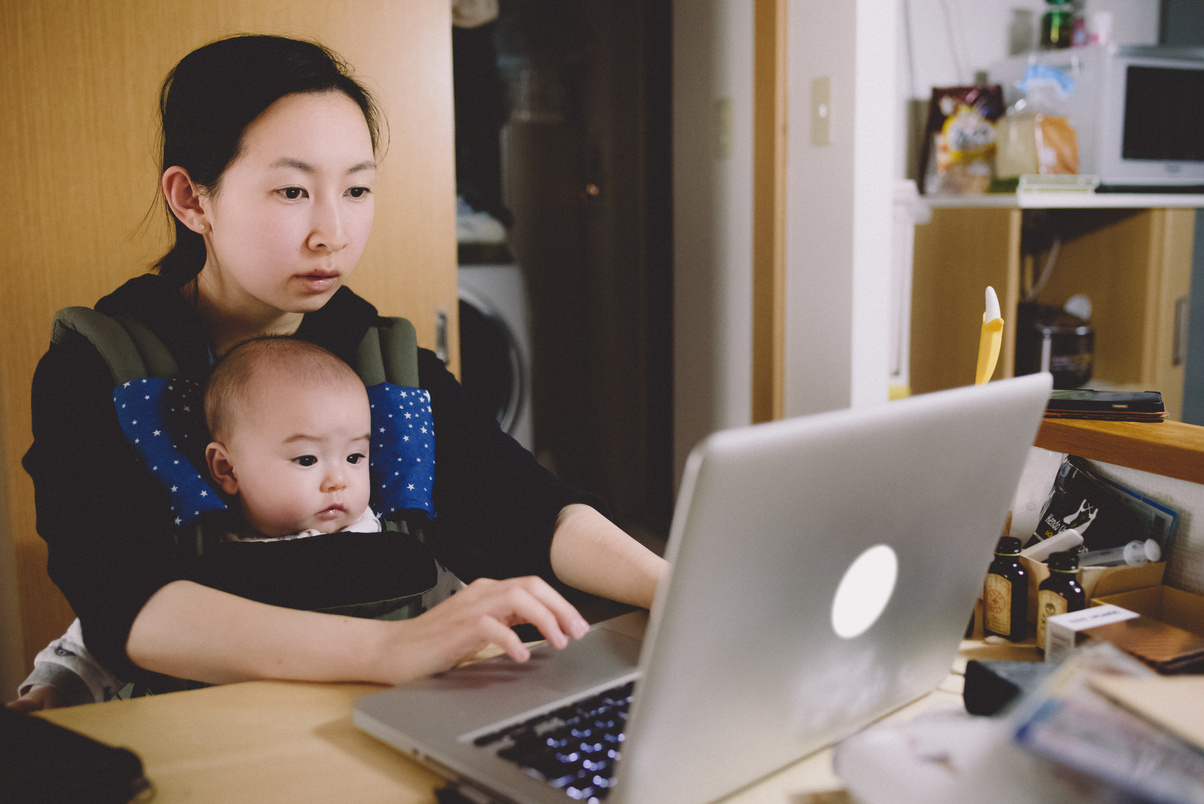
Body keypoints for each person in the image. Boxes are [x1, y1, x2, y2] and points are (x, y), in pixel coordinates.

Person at [10, 33, 667, 709]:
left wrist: (673, 584)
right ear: (192, 200)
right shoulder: (97, 370)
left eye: (356, 189)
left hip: (371, 718)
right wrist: (392, 649)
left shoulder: (383, 362)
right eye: (293, 190)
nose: (334, 232)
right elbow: (124, 607)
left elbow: (525, 505)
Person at [11, 336, 465, 710]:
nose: (338, 481)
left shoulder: (390, 545)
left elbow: (454, 610)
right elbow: (102, 634)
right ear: (227, 470)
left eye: (355, 456)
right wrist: (55, 688)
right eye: (306, 458)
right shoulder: (200, 560)